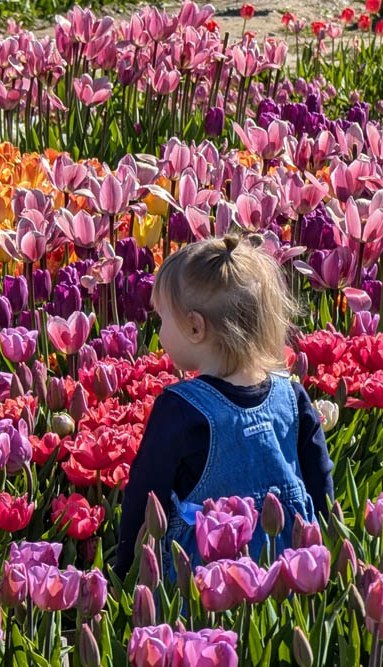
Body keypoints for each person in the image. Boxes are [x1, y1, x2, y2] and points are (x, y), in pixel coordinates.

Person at [114, 234, 334, 579]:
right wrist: (324, 551)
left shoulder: (180, 409)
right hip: (287, 571)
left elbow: (146, 495)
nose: (159, 333)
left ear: (195, 326)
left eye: (163, 320)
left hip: (206, 578)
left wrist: (124, 566)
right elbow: (320, 484)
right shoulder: (292, 397)